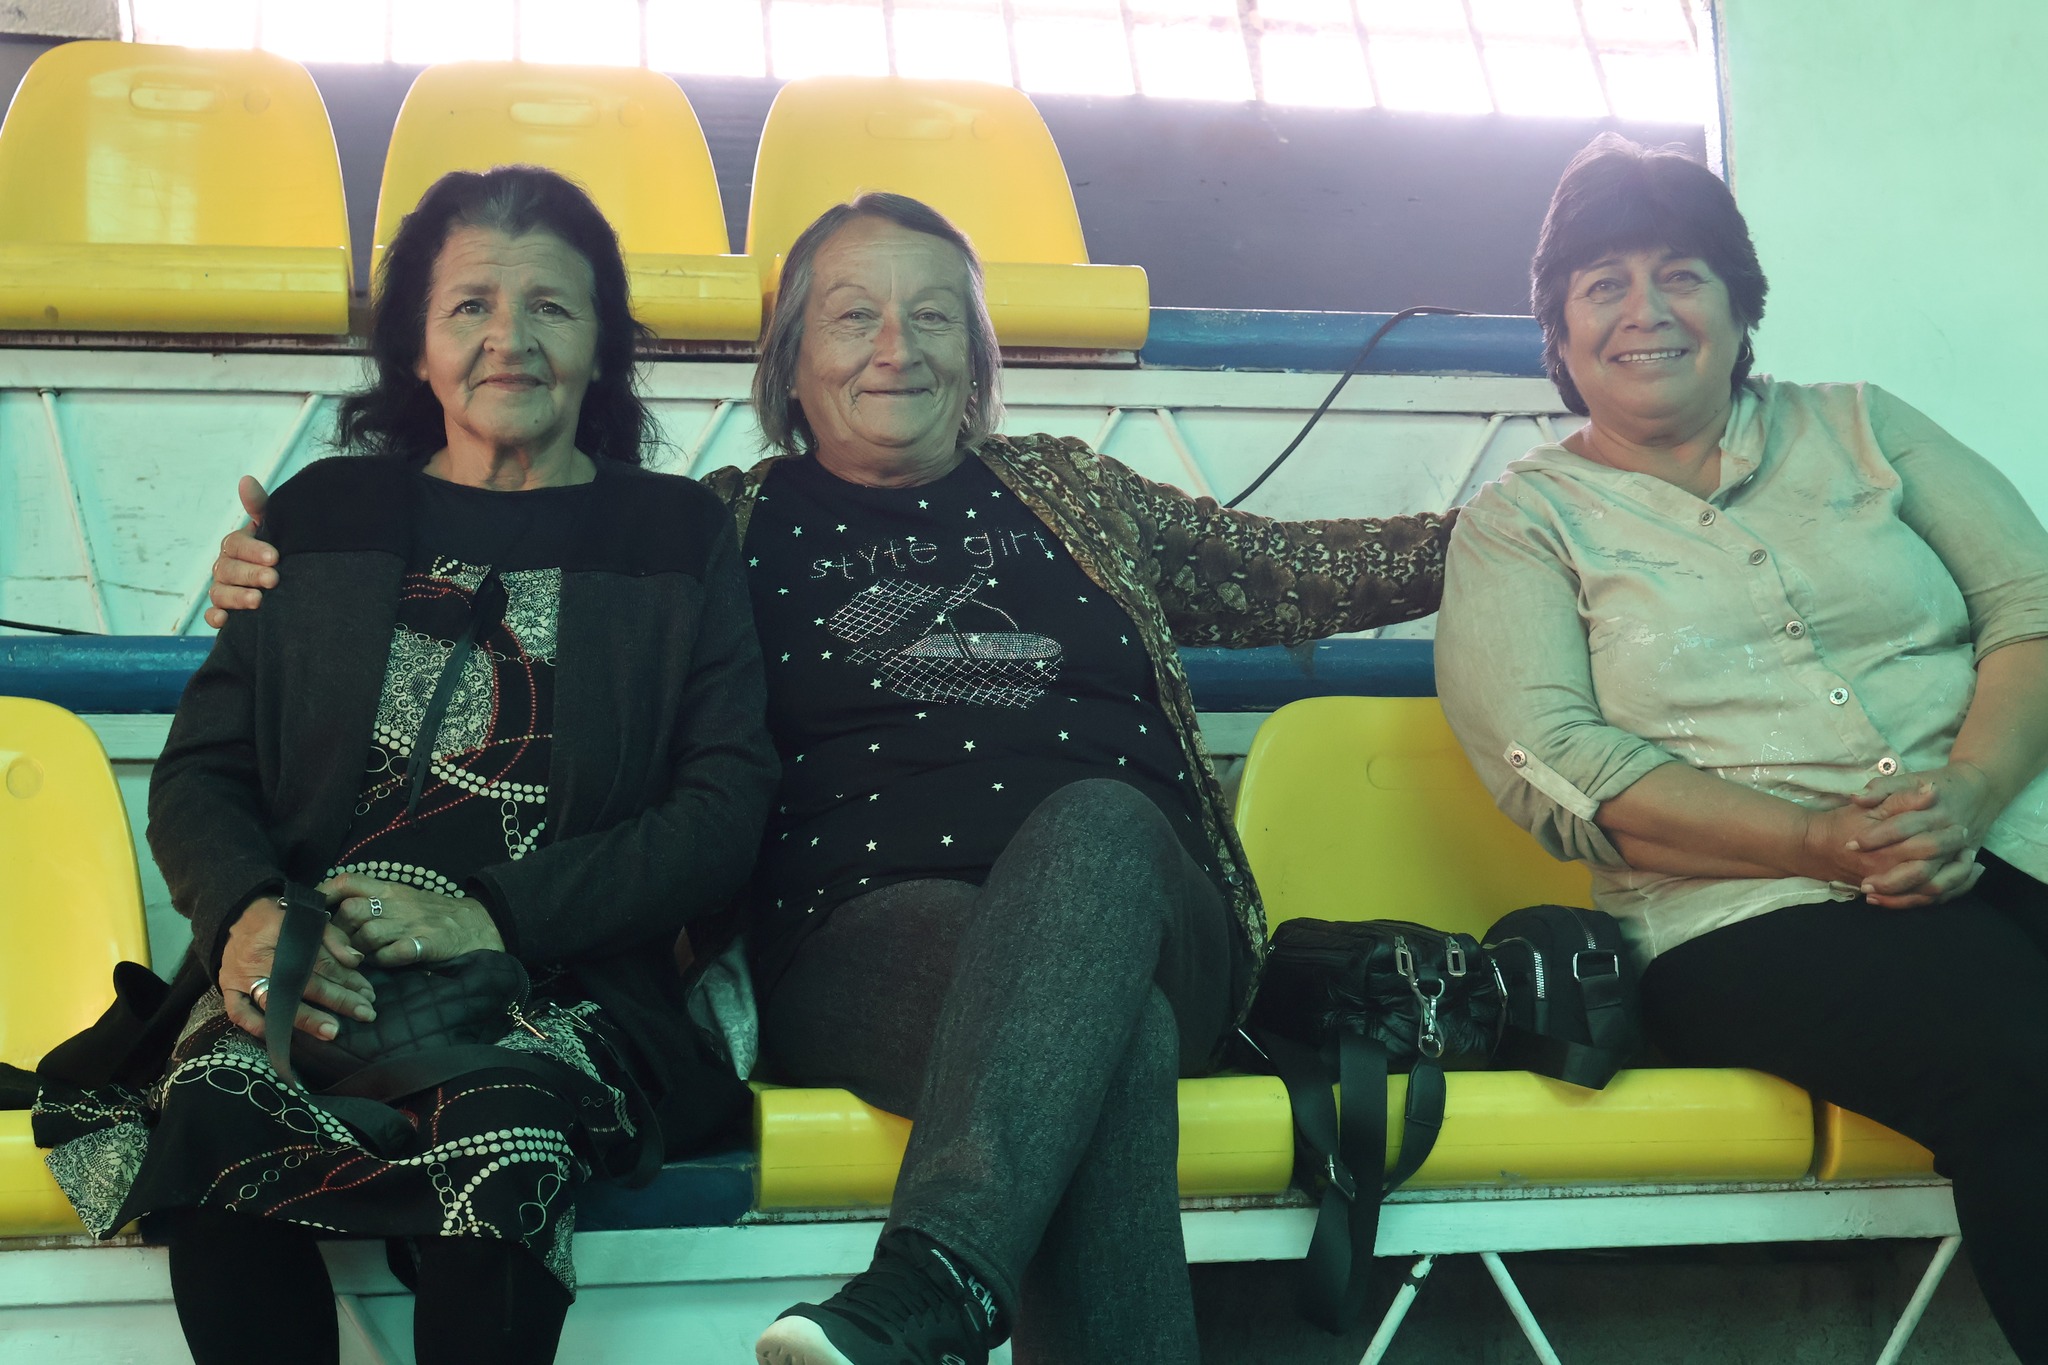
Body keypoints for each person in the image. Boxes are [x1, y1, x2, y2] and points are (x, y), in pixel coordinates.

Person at [210, 190, 1453, 1365]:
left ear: (974, 356)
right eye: (853, 314)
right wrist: (284, 570)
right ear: (789, 361)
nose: (894, 348)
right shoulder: (710, 530)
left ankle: (933, 1272)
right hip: (862, 946)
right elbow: (508, 565)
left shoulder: (1071, 489)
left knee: (1097, 826)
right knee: (1097, 1044)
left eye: (932, 316)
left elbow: (1307, 572)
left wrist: (1555, 508)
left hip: (1148, 917)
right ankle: (947, 1289)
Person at [29, 165, 777, 1365]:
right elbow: (201, 775)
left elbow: (721, 809)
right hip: (308, 959)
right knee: (220, 1112)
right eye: (469, 306)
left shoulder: (674, 537)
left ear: (601, 346)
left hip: (556, 983)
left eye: (550, 307)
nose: (508, 340)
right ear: (416, 349)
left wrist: (490, 914)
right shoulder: (323, 516)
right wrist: (250, 916)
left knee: (505, 1132)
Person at [1435, 134, 2048, 1362]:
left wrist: (1971, 792)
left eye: (1682, 273)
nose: (1644, 310)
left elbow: (2027, 610)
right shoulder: (1520, 523)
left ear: (1735, 307)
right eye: (1601, 283)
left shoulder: (1866, 427)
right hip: (1744, 916)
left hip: (2001, 838)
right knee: (2020, 1066)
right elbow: (1548, 758)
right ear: (1556, 334)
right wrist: (1822, 838)